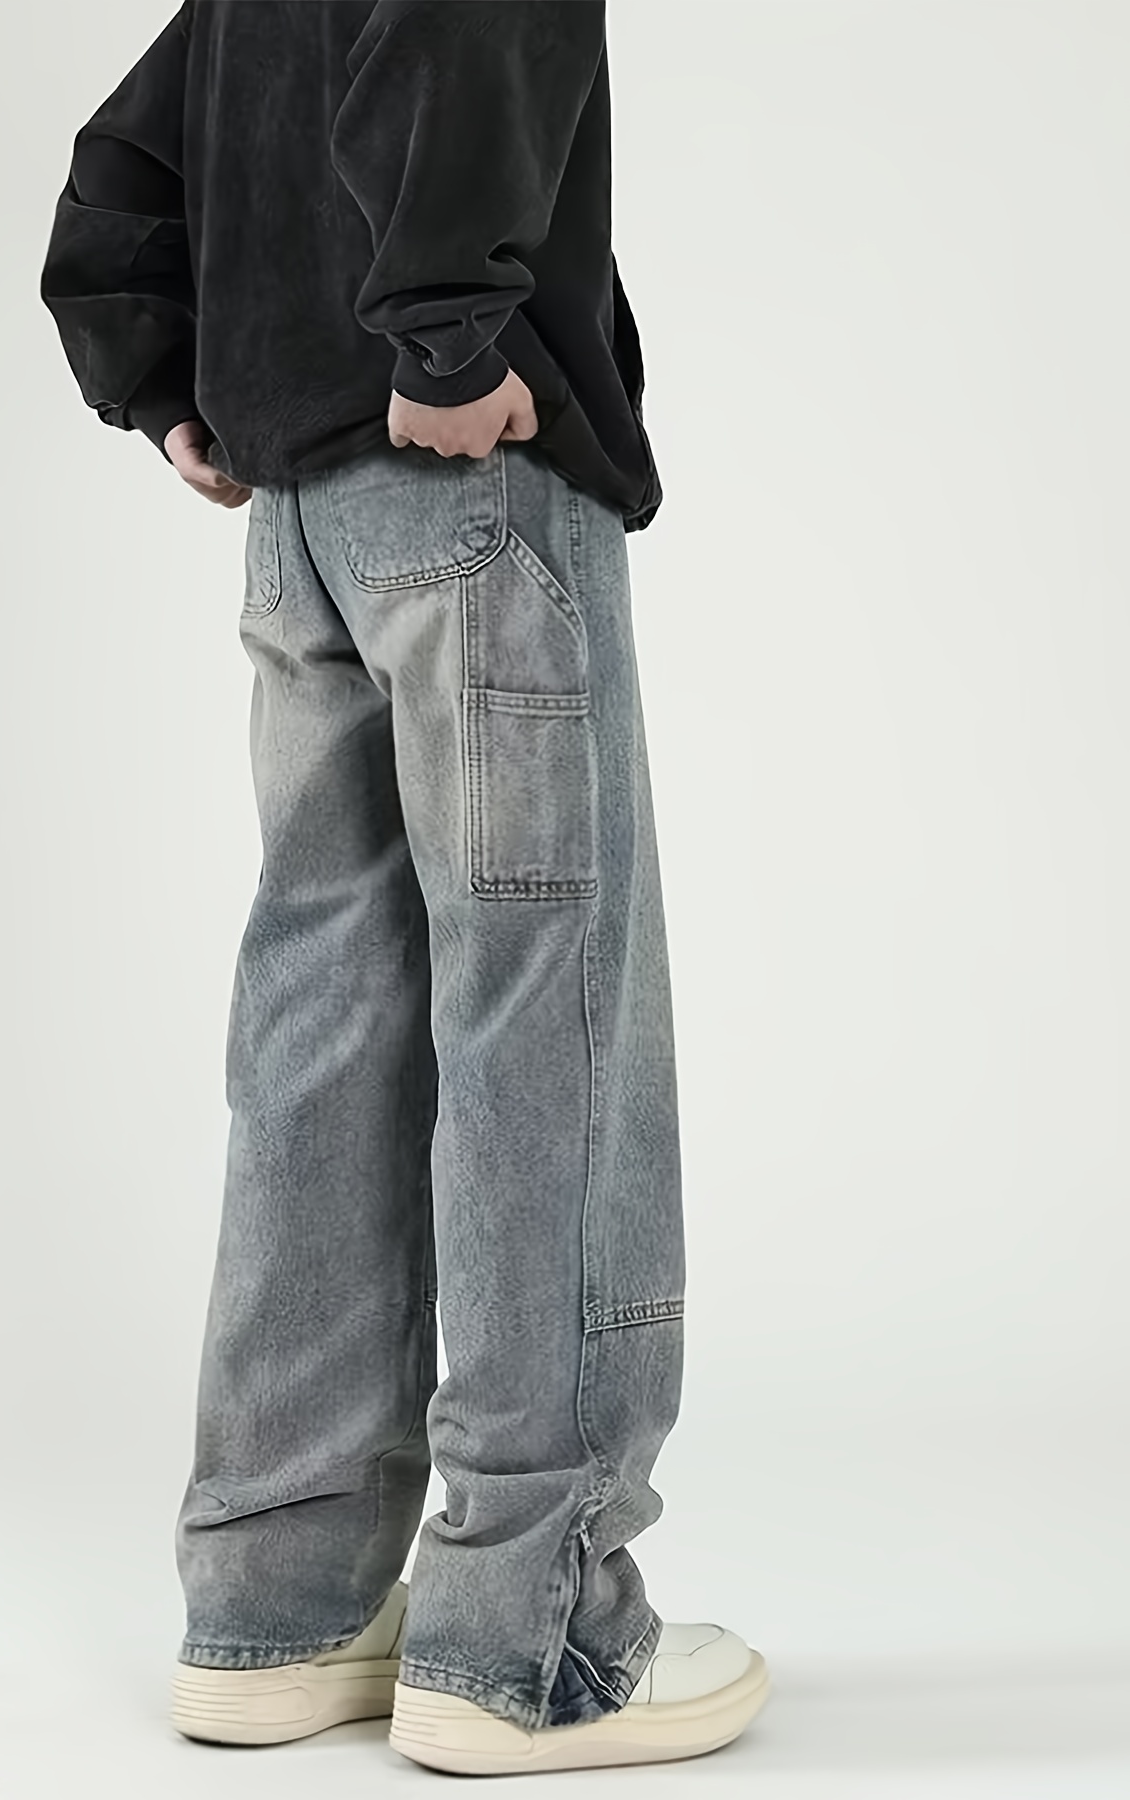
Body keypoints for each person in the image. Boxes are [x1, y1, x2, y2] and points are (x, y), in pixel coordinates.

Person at [40, 0, 768, 1776]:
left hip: (301, 517)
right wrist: (447, 343)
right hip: (468, 484)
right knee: (545, 1019)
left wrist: (166, 373)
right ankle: (531, 1635)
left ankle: (277, 1602)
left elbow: (123, 162)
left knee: (323, 1024)